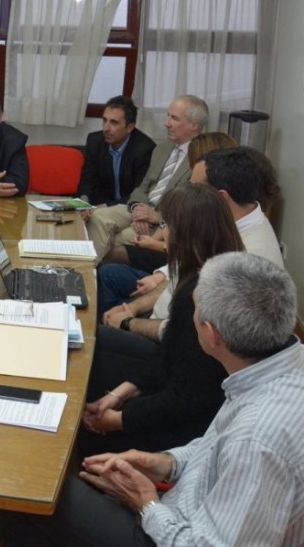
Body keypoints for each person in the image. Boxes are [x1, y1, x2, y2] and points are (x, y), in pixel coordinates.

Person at [0, 253, 304, 547]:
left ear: (211, 335)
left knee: (32, 486)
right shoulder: (300, 361)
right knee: (58, 483)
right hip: (202, 502)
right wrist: (164, 462)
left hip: (177, 531)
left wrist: (147, 502)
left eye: (191, 313)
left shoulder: (260, 440)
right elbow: (214, 444)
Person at [79, 184, 243, 458]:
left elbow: (185, 399)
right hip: (184, 404)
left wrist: (117, 420)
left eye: (167, 224)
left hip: (188, 434)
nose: (163, 232)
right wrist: (117, 396)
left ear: (185, 233)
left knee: (82, 438)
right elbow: (168, 359)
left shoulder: (198, 296)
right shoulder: (222, 270)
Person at [101, 145, 285, 341]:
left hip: (170, 340)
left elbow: (184, 333)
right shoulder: (222, 224)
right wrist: (132, 308)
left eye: (195, 188)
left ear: (220, 198)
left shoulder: (244, 258)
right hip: (162, 314)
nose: (188, 192)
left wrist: (127, 323)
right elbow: (177, 280)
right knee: (108, 277)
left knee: (99, 339)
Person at [88, 95, 207, 258]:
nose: (167, 123)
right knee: (98, 217)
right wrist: (137, 208)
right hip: (140, 209)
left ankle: (92, 276)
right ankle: (89, 274)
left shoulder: (201, 159)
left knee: (116, 239)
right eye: (168, 116)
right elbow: (143, 187)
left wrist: (156, 217)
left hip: (165, 222)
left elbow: (192, 208)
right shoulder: (162, 149)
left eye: (174, 118)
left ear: (194, 125)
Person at [77, 95, 156, 207]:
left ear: (129, 127)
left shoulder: (145, 149)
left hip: (127, 207)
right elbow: (87, 179)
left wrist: (106, 207)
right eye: (104, 120)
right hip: (98, 204)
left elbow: (139, 193)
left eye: (114, 122)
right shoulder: (95, 141)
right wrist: (83, 202)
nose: (106, 128)